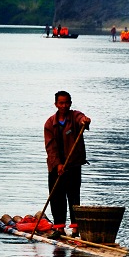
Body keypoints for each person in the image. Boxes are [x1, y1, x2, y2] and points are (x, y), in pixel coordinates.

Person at [43, 91, 91, 234]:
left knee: (74, 195)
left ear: (70, 103)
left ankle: (75, 228)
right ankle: (59, 227)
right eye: (61, 103)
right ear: (56, 104)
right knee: (57, 196)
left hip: (73, 165)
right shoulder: (50, 123)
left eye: (66, 103)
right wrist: (57, 164)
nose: (64, 105)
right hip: (55, 166)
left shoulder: (74, 116)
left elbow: (81, 119)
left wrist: (85, 121)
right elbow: (50, 147)